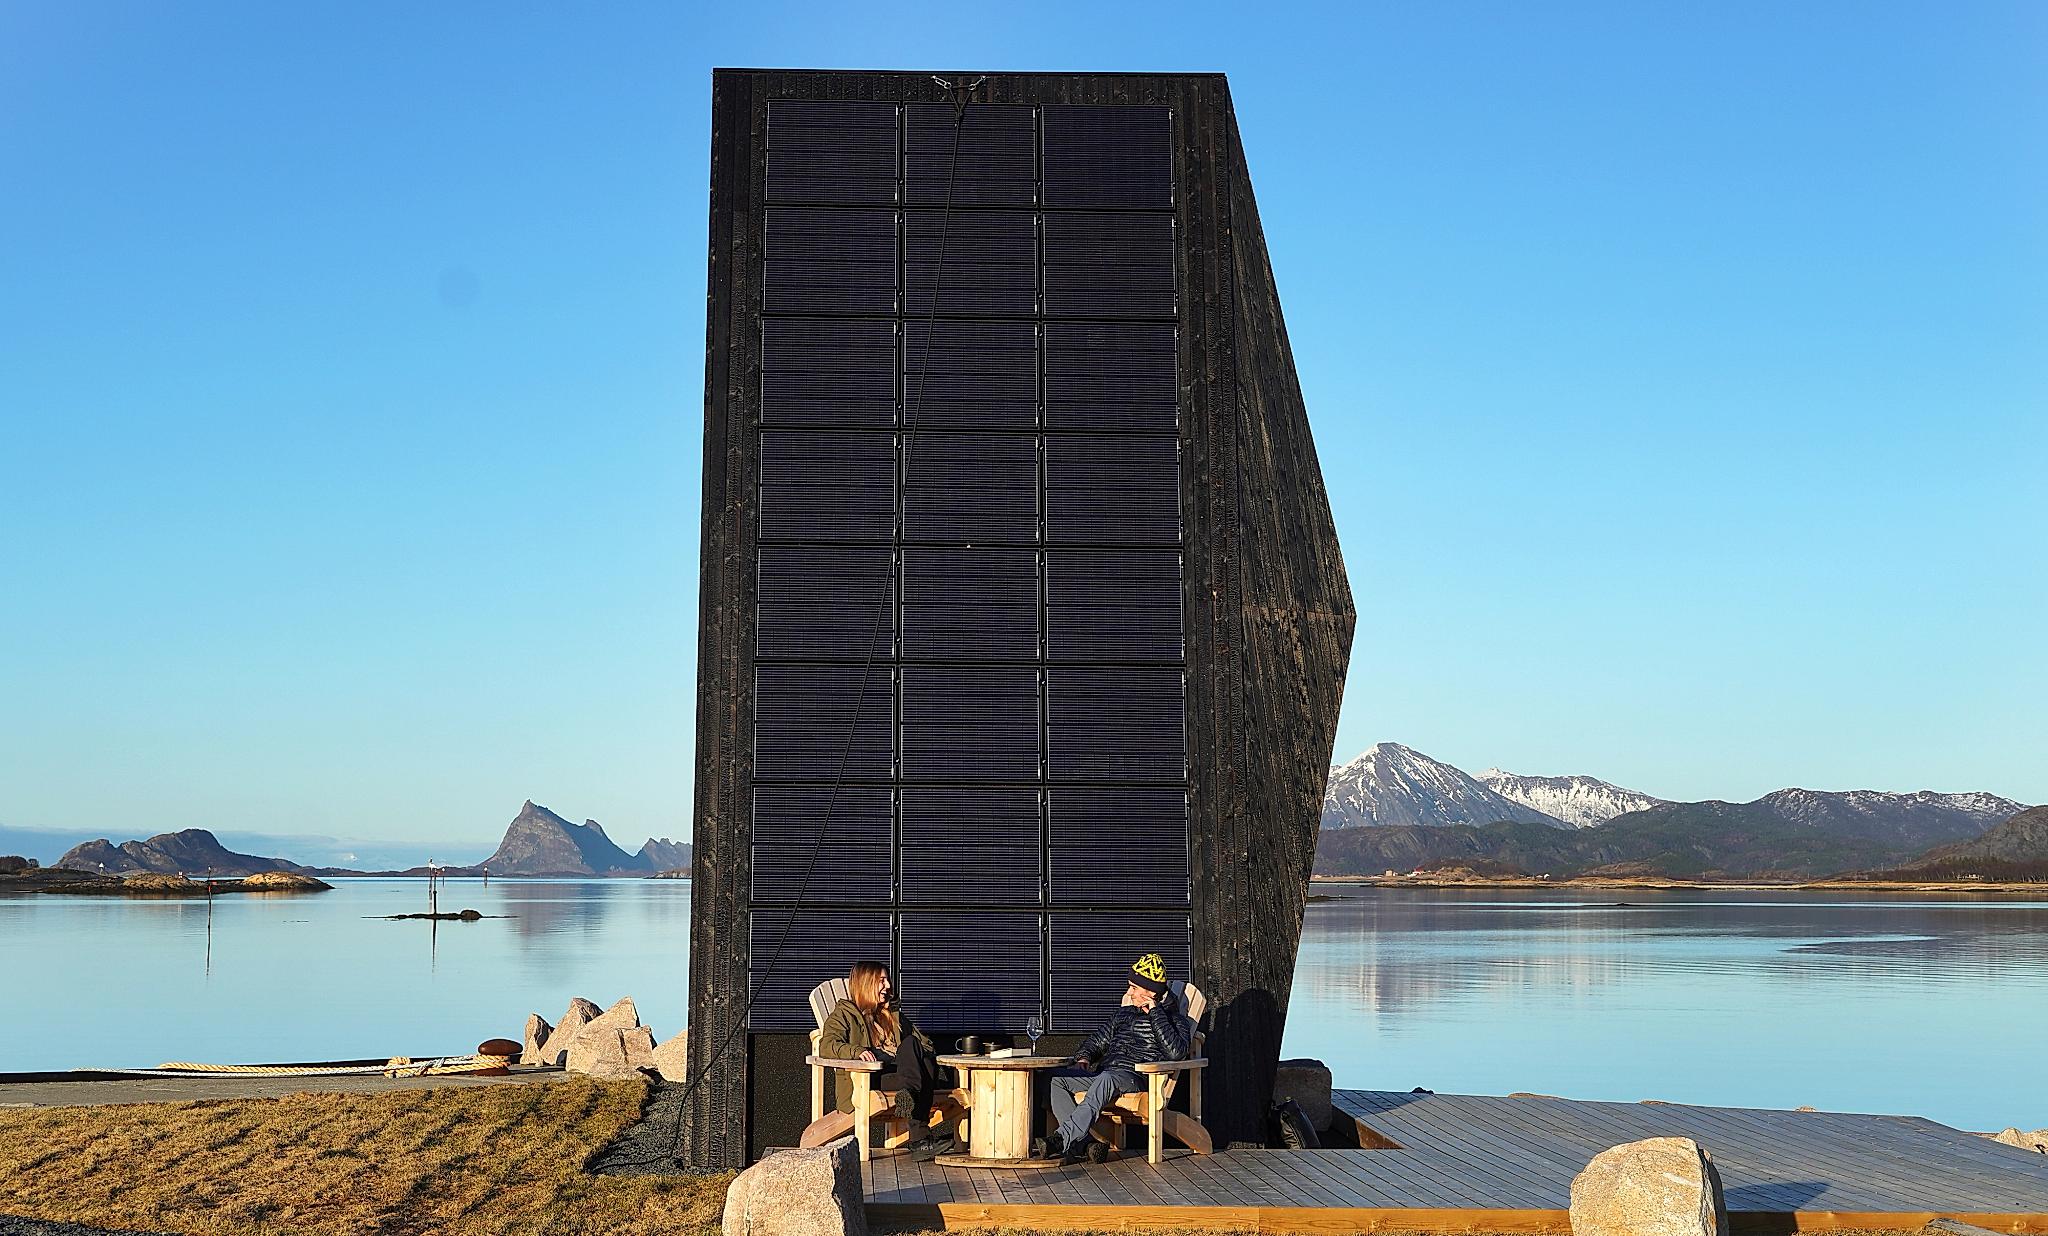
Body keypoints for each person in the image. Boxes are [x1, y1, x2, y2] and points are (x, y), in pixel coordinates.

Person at [1044, 952, 1192, 1165]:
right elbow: (1098, 1039)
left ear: (1150, 992)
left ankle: (1061, 1139)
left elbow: (1176, 1052)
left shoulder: (1174, 1020)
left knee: (1107, 1078)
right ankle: (1085, 1144)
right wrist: (1084, 1057)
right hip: (1107, 1075)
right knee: (1055, 1080)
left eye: (1134, 987)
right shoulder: (1123, 1014)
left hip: (1136, 1078)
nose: (1129, 993)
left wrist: (1155, 1012)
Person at [818, 960, 955, 1160]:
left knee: (913, 1047)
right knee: (919, 1068)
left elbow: (926, 1045)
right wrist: (856, 1051)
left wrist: (898, 1022)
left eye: (888, 980)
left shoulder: (891, 1014)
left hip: (903, 1075)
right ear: (866, 983)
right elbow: (826, 1046)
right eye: (882, 981)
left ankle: (910, 1099)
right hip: (867, 1079)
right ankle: (919, 1138)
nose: (888, 986)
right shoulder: (844, 1014)